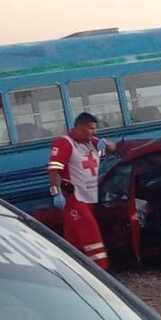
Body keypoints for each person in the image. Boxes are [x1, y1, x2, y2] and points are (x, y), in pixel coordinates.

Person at [47, 112, 117, 270]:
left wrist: (106, 144)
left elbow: (113, 148)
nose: (94, 132)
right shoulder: (64, 143)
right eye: (91, 128)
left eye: (95, 129)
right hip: (74, 197)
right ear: (80, 127)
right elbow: (54, 170)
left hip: (89, 197)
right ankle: (103, 270)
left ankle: (73, 269)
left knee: (74, 239)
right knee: (91, 234)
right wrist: (56, 193)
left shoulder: (91, 141)